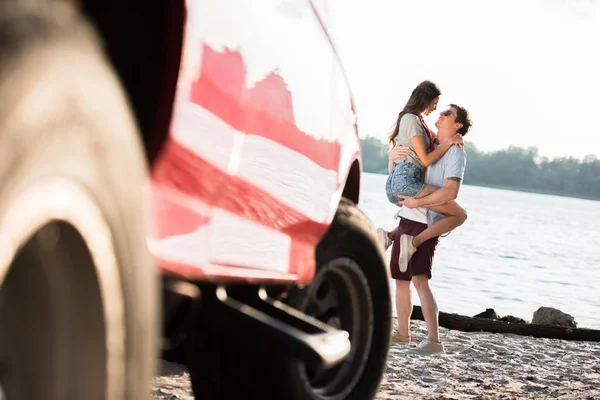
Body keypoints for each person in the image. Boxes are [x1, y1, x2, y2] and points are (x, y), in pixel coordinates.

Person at [387, 104, 472, 353]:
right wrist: (391, 158)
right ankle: (403, 334)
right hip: (407, 215)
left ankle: (434, 341)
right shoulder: (429, 144)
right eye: (442, 110)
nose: (441, 114)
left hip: (426, 220)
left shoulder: (455, 152)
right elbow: (402, 172)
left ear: (458, 126)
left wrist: (419, 202)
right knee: (401, 280)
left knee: (419, 279)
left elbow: (451, 191)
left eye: (448, 113)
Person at [385, 81, 467, 273]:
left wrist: (456, 137)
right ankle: (414, 242)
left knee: (433, 202)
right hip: (404, 181)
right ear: (426, 99)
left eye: (445, 111)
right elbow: (426, 159)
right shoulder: (413, 119)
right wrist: (451, 142)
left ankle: (389, 236)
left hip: (398, 183)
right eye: (436, 104)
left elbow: (428, 143)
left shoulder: (418, 124)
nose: (436, 110)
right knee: (458, 213)